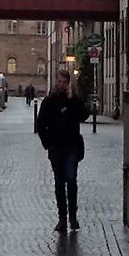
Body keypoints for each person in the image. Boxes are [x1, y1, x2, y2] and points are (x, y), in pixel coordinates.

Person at [33, 72, 92, 235]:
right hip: (56, 148)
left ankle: (73, 216)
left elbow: (84, 115)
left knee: (71, 180)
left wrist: (74, 99)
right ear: (56, 82)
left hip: (72, 146)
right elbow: (40, 123)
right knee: (59, 182)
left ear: (68, 83)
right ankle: (62, 218)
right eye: (59, 81)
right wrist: (48, 143)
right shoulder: (49, 101)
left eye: (64, 82)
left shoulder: (73, 100)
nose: (61, 85)